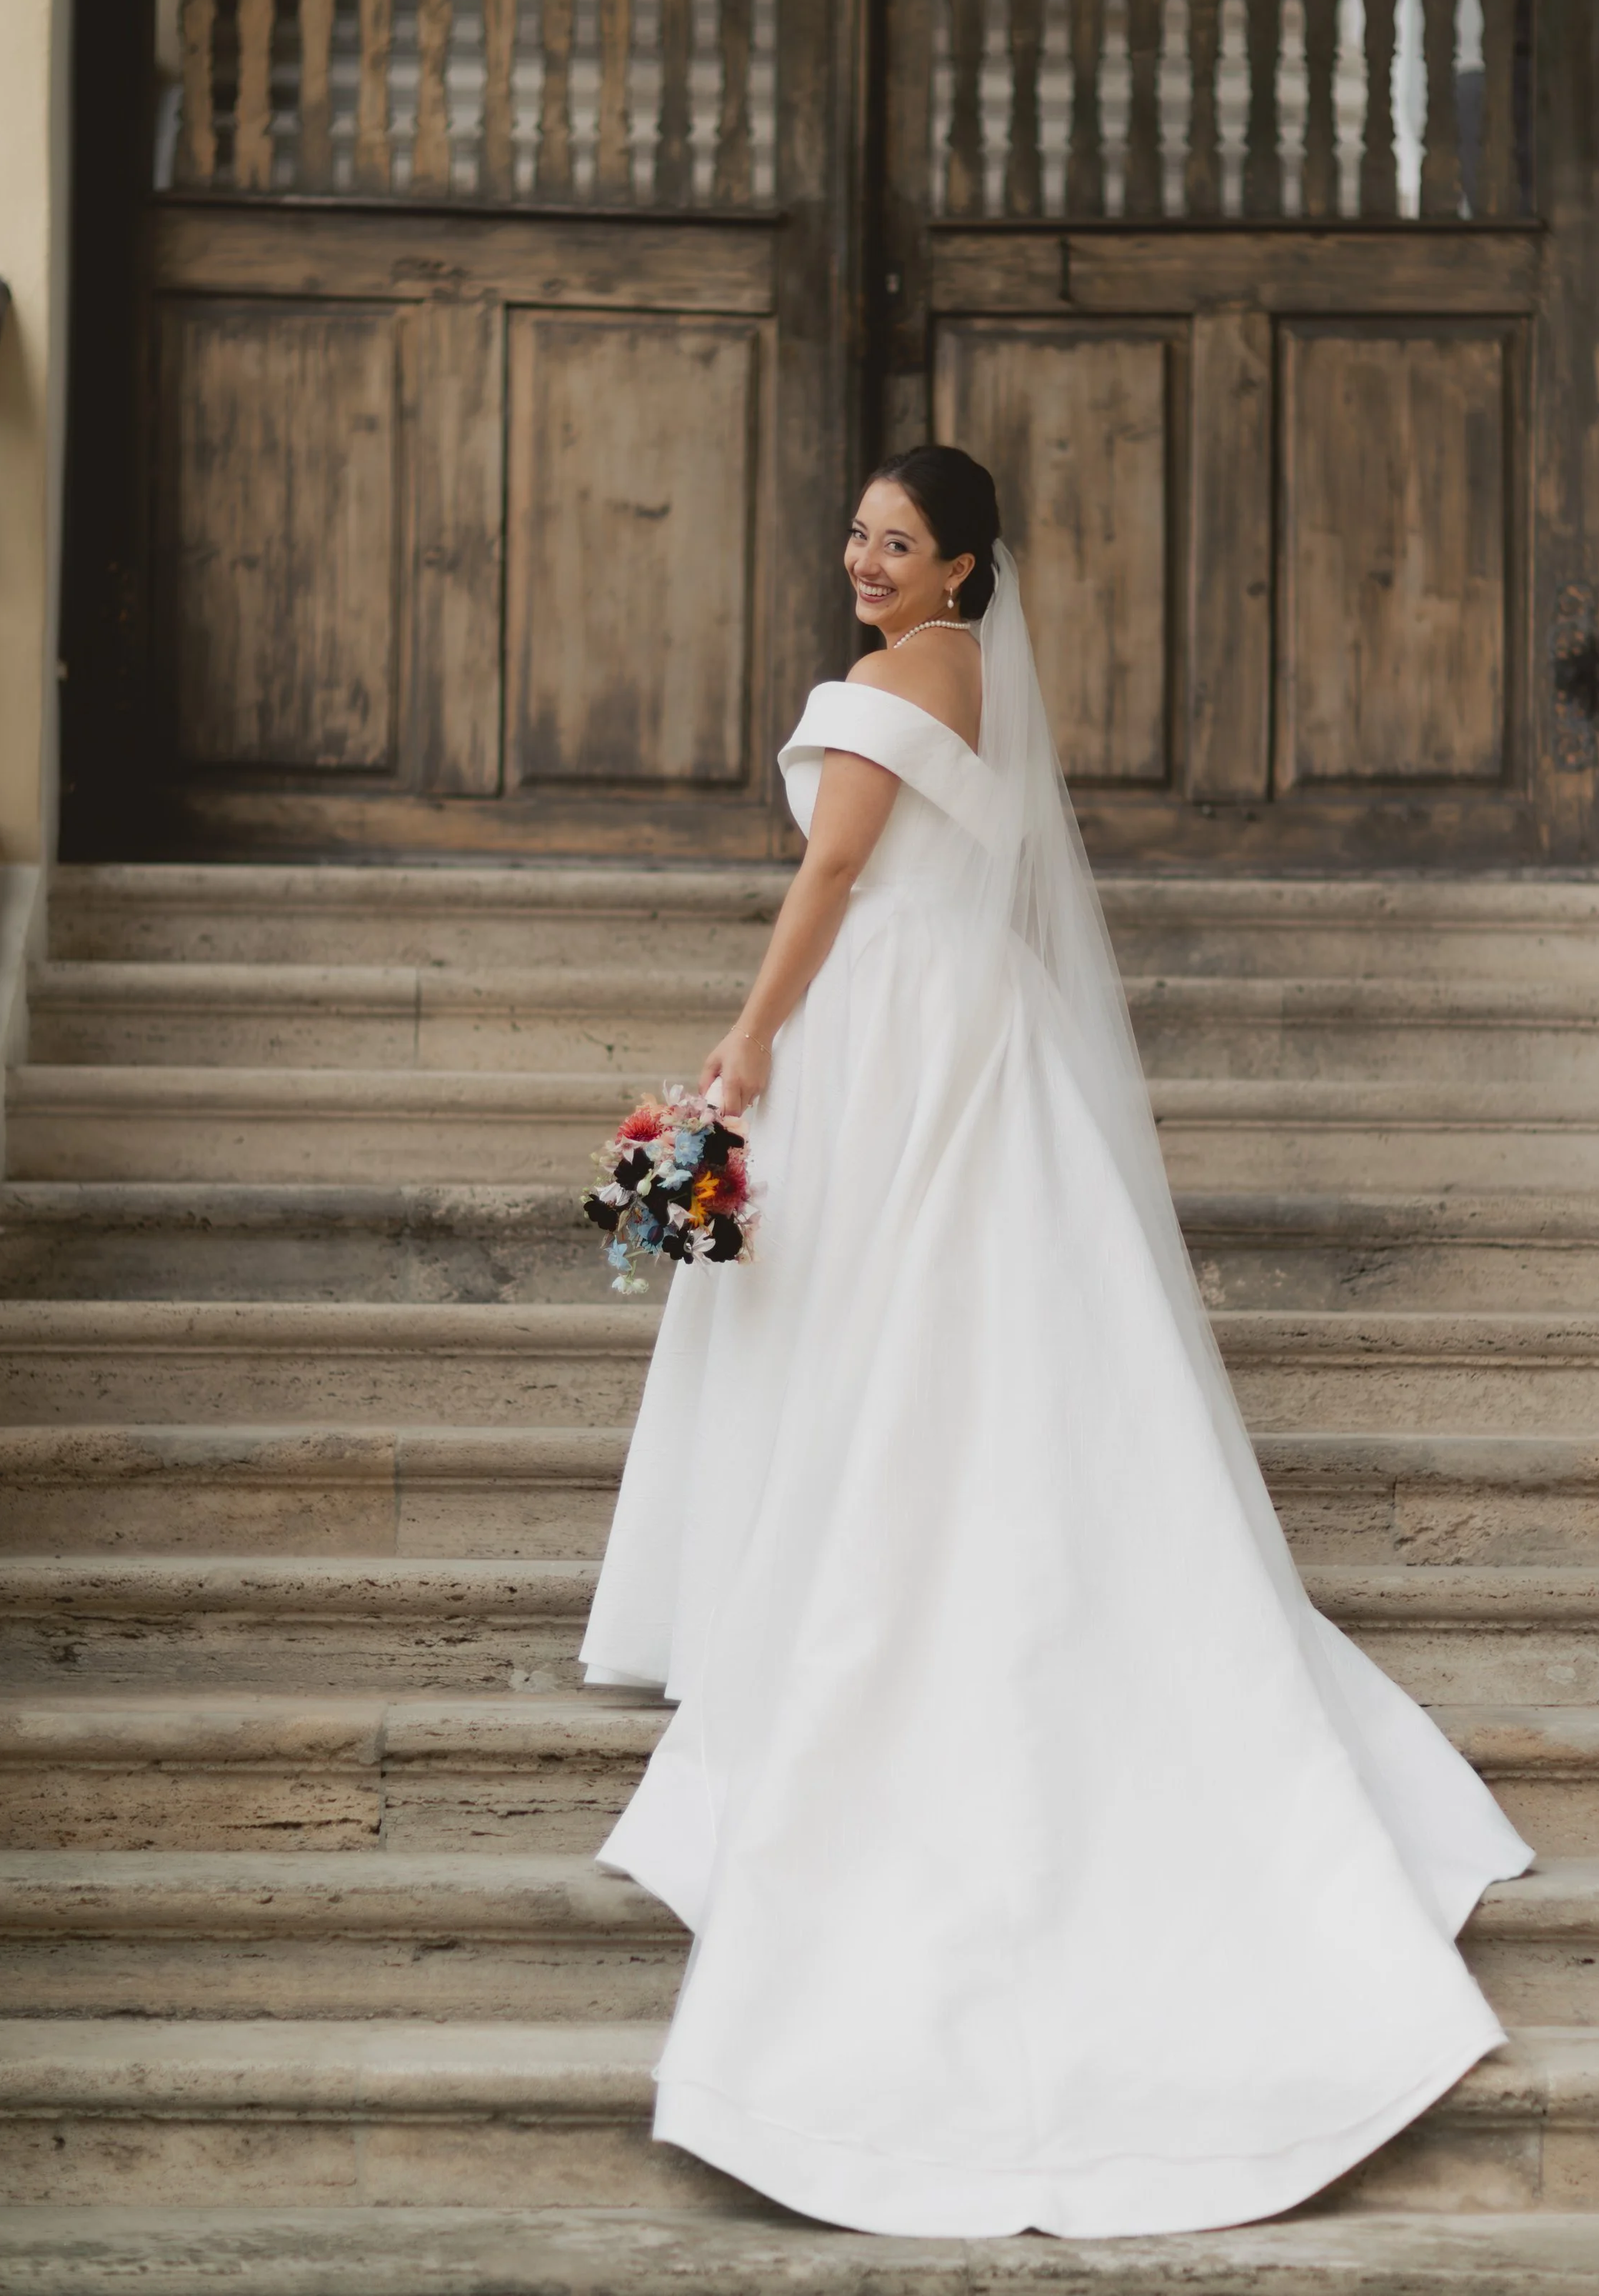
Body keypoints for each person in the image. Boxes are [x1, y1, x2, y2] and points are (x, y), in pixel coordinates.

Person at [580, 445, 1531, 2237]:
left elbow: (833, 880)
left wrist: (746, 1047)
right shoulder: (966, 679)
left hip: (889, 1021)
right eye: (855, 534)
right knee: (970, 1322)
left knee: (893, 1327)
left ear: (960, 567)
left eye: (897, 543)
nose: (863, 561)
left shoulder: (886, 682)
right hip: (965, 1024)